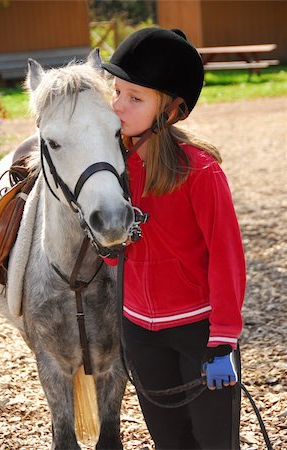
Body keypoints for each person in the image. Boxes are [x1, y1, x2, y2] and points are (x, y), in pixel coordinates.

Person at [101, 27, 246, 449]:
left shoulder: (199, 172)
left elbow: (227, 258)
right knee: (171, 443)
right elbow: (115, 256)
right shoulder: (113, 170)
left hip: (199, 332)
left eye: (135, 98)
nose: (118, 107)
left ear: (172, 110)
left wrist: (223, 339)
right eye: (117, 92)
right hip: (140, 332)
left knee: (216, 442)